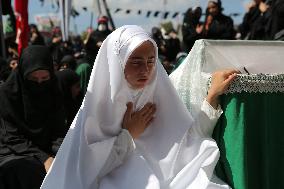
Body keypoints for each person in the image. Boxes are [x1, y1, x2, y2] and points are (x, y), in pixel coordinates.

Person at [41, 25, 237, 189]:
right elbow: (85, 173)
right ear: (117, 62)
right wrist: (128, 136)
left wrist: (212, 97)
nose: (146, 70)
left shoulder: (157, 94)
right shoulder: (99, 109)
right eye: (135, 62)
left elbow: (188, 143)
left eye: (151, 61)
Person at [0, 45, 67, 189]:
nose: (39, 83)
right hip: (13, 150)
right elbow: (11, 137)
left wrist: (63, 152)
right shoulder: (8, 94)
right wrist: (44, 158)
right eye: (33, 78)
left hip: (46, 149)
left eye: (44, 78)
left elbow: (58, 130)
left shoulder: (54, 90)